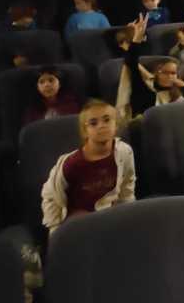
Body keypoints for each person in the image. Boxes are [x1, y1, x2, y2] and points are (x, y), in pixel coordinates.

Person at [41, 99, 136, 233]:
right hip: (79, 225)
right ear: (85, 131)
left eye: (107, 120)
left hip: (109, 219)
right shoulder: (72, 163)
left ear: (116, 125)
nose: (101, 126)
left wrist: (127, 217)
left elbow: (127, 187)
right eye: (93, 123)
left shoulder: (124, 152)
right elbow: (50, 195)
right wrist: (55, 231)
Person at [115, 14, 184, 121]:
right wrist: (136, 40)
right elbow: (131, 63)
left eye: (173, 73)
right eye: (165, 72)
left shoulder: (177, 92)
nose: (170, 76)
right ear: (155, 74)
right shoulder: (144, 90)